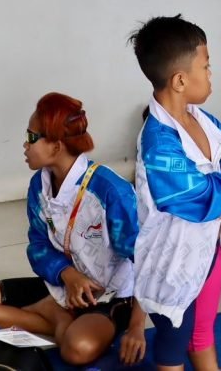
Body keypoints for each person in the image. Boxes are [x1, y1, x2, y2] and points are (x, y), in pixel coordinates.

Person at [129, 15, 221, 371]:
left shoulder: (206, 122)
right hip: (171, 262)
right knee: (173, 342)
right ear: (180, 80)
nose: (211, 74)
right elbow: (187, 194)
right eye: (206, 66)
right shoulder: (157, 140)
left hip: (208, 250)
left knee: (202, 330)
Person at [22, 92, 146, 367]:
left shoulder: (110, 191)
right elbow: (37, 245)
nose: (25, 144)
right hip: (63, 282)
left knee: (77, 349)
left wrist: (137, 326)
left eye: (31, 137)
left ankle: (50, 317)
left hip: (111, 295)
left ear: (56, 145)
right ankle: (57, 317)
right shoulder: (38, 185)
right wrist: (68, 275)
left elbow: (145, 260)